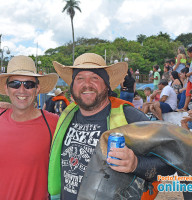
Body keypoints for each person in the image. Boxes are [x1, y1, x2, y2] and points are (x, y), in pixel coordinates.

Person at [48, 53, 176, 200]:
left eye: (95, 77)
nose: (87, 84)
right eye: (80, 78)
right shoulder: (66, 116)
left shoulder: (130, 117)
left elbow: (169, 164)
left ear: (107, 84)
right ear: (72, 86)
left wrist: (136, 164)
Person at [0, 55, 59, 200]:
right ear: (6, 89)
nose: (21, 90)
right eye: (15, 84)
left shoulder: (53, 123)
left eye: (28, 84)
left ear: (37, 89)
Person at [179, 46, 192, 112]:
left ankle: (185, 107)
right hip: (190, 80)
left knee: (188, 94)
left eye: (189, 53)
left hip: (190, 78)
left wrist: (189, 73)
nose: (188, 55)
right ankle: (185, 107)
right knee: (188, 94)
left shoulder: (180, 56)